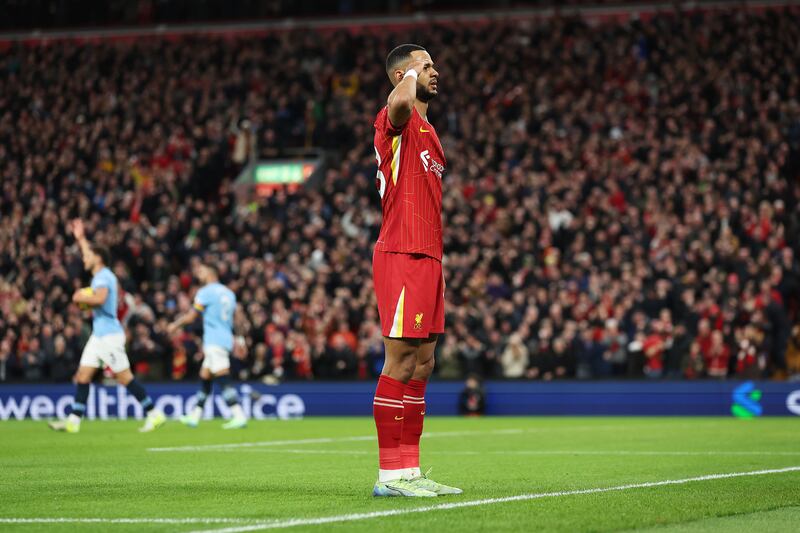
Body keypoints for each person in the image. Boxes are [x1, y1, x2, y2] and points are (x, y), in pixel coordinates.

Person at [370, 43, 461, 498]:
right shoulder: (396, 121)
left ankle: (410, 471)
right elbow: (399, 101)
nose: (435, 71)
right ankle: (389, 477)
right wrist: (406, 75)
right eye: (426, 65)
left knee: (423, 365)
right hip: (402, 251)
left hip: (429, 256)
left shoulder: (429, 131)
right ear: (403, 73)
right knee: (400, 360)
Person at [49, 219, 166, 433]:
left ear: (99, 258)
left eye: (88, 256)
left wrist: (79, 297)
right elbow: (90, 258)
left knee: (125, 378)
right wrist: (81, 238)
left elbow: (101, 299)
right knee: (83, 375)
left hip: (110, 335)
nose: (84, 259)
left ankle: (153, 413)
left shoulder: (104, 277)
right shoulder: (100, 274)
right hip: (99, 335)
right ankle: (73, 422)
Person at [168, 262, 247, 429]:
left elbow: (191, 317)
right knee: (205, 376)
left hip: (214, 341)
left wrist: (175, 325)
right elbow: (238, 318)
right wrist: (240, 340)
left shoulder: (205, 292)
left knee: (222, 376)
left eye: (201, 270)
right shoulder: (229, 293)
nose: (198, 274)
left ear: (211, 273)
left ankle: (238, 413)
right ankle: (195, 415)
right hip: (225, 338)